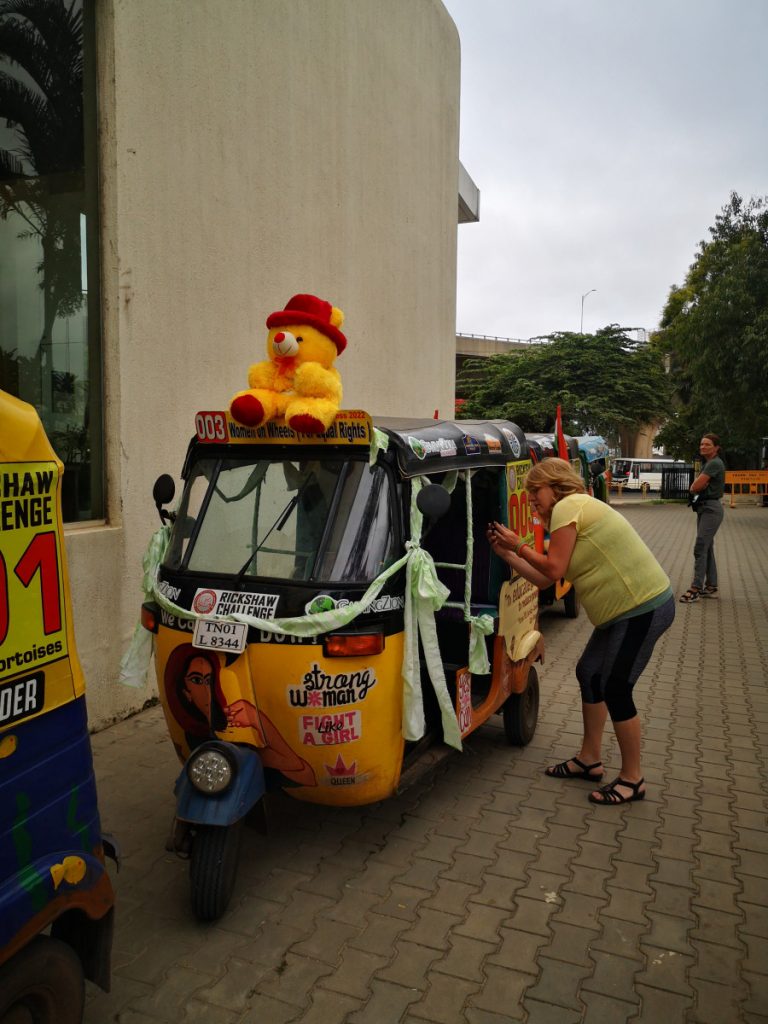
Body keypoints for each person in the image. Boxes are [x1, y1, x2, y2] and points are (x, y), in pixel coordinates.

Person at [487, 458, 674, 805]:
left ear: (555, 485)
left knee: (616, 687)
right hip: (621, 613)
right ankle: (590, 760)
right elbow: (547, 579)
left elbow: (553, 567)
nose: (531, 500)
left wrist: (516, 545)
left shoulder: (569, 505)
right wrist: (507, 554)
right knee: (589, 672)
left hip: (642, 606)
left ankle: (633, 779)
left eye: (534, 491)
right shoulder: (572, 512)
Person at [679, 434, 725, 603]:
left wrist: (696, 485)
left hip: (711, 509)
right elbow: (698, 485)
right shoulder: (708, 463)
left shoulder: (714, 463)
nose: (703, 447)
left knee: (700, 547)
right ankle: (711, 586)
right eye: (701, 444)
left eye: (707, 444)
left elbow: (695, 486)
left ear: (716, 447)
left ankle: (695, 588)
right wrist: (697, 485)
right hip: (704, 508)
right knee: (707, 547)